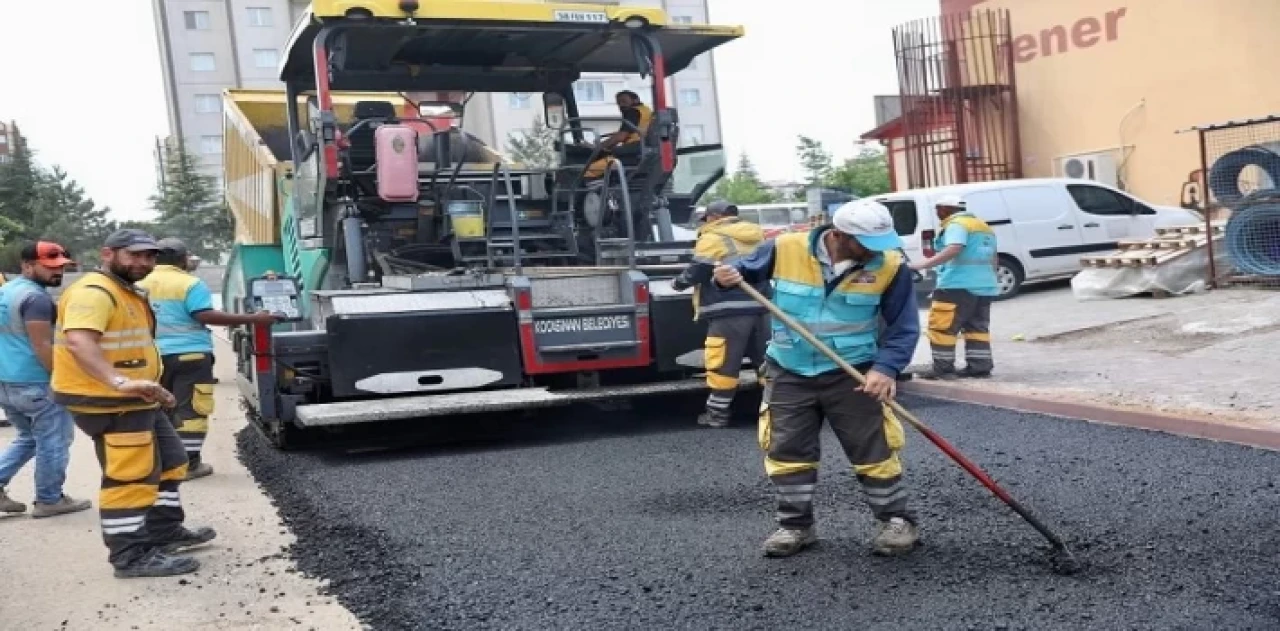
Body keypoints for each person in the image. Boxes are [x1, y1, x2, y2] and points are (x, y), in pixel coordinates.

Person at [711, 200, 922, 558]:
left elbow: (904, 327)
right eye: (868, 244)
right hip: (789, 368)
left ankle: (897, 522)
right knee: (788, 451)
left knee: (874, 450)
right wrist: (724, 276)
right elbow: (738, 271)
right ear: (838, 236)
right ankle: (795, 527)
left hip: (852, 372)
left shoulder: (890, 266)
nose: (878, 251)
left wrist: (885, 369)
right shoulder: (785, 248)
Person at [52, 228, 215, 578]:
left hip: (137, 396)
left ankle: (163, 531)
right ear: (108, 254)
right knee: (130, 476)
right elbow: (80, 342)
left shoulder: (125, 291)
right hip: (110, 401)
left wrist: (150, 385)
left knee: (173, 461)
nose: (144, 262)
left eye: (150, 255)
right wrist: (120, 381)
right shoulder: (93, 293)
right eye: (135, 255)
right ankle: (130, 555)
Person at [138, 238, 278, 479]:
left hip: (151, 357)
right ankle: (189, 464)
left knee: (160, 409)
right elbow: (205, 315)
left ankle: (161, 462)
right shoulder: (190, 283)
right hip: (190, 356)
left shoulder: (138, 283)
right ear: (182, 259)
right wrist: (254, 319)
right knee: (191, 410)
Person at [0, 241, 93, 518]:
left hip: (7, 381)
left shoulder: (6, 292)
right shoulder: (36, 299)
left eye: (61, 267)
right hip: (36, 382)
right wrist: (62, 378)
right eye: (50, 267)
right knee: (54, 440)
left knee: (29, 437)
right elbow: (42, 345)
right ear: (27, 266)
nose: (58, 273)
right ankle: (49, 499)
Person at [671, 200, 771, 428]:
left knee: (724, 362)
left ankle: (717, 415)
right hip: (762, 305)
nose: (705, 223)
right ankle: (778, 411)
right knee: (768, 361)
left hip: (728, 309)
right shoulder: (756, 234)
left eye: (706, 218)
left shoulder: (712, 236)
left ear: (714, 217)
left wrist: (677, 284)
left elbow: (698, 270)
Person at [909, 194, 999, 380]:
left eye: (937, 209)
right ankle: (980, 367)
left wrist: (922, 265)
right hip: (984, 285)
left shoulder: (956, 225)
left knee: (941, 327)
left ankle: (942, 368)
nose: (937, 213)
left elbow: (954, 248)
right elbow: (994, 258)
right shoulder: (983, 226)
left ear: (945, 209)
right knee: (976, 328)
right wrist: (991, 278)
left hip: (956, 284)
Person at [583, 91, 653, 179]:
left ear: (635, 100)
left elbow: (620, 137)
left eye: (624, 101)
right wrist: (607, 146)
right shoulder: (646, 110)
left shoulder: (633, 112)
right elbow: (624, 134)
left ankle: (591, 189)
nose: (621, 105)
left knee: (588, 171)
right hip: (637, 151)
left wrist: (597, 147)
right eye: (619, 103)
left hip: (631, 153)